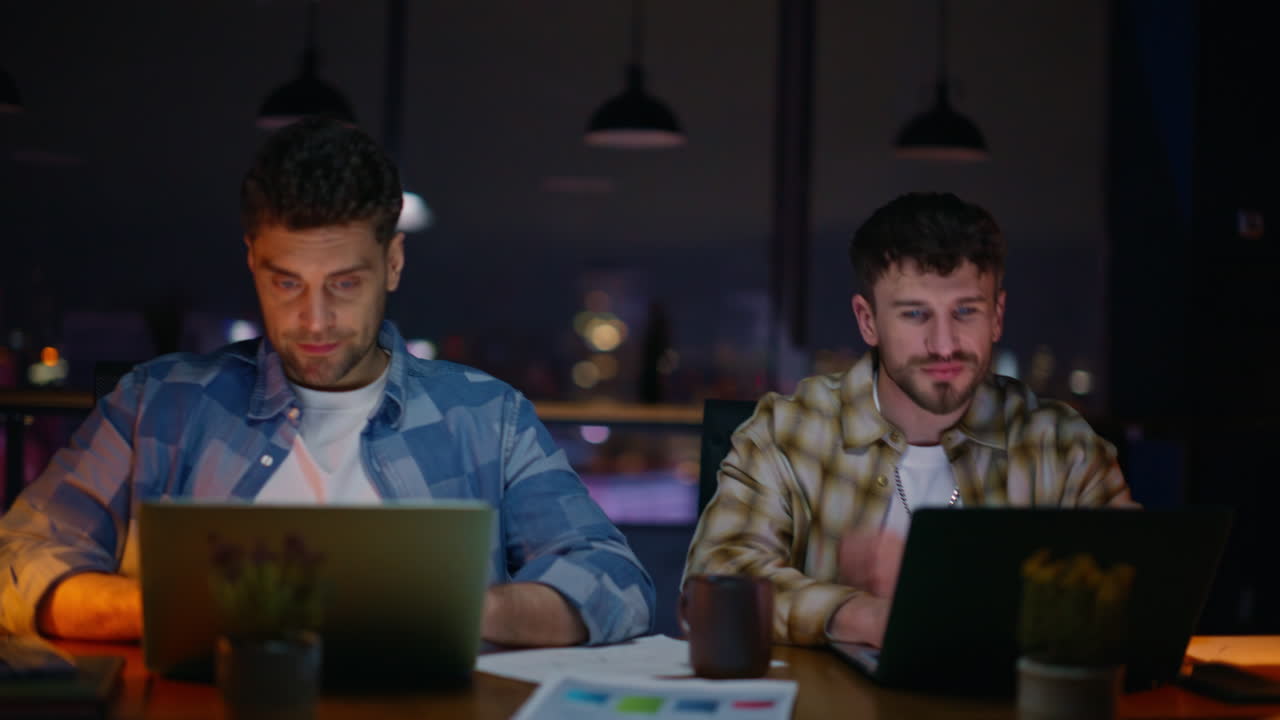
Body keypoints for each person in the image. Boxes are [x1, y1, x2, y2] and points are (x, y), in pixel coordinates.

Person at [0, 117, 655, 647]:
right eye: (286, 282)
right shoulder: (156, 405)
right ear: (252, 260)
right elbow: (16, 559)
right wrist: (199, 612)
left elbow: (616, 582)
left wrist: (454, 609)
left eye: (344, 284)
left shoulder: (488, 417)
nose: (314, 320)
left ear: (392, 262)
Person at [683, 192, 1136, 648]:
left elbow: (1139, 597)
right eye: (916, 314)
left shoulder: (1062, 447)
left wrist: (946, 602)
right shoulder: (787, 432)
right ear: (868, 321)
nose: (943, 345)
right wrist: (863, 614)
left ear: (997, 316)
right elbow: (710, 585)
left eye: (966, 311)